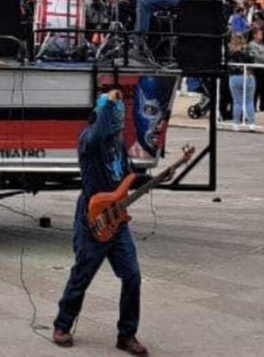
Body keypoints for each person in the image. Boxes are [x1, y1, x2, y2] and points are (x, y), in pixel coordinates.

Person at [53, 89, 159, 355]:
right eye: (115, 117)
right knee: (82, 275)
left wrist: (143, 181)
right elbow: (100, 129)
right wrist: (111, 101)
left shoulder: (117, 143)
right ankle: (63, 325)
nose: (120, 122)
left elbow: (123, 178)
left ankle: (127, 334)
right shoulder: (89, 139)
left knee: (132, 275)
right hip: (91, 218)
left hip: (117, 220)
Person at [248, 27, 264, 113]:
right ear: (254, 35)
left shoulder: (263, 45)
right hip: (257, 68)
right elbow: (256, 56)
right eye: (259, 34)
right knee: (256, 89)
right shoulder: (251, 45)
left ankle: (263, 105)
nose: (261, 36)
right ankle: (254, 106)